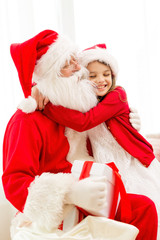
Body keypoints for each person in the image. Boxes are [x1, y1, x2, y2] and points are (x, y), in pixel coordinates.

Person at [2, 30, 158, 240]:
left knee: (145, 208)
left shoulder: (71, 107)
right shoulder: (26, 120)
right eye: (68, 64)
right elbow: (15, 181)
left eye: (76, 60)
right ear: (52, 75)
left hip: (92, 191)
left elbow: (102, 105)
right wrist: (69, 194)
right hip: (58, 209)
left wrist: (129, 119)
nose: (79, 69)